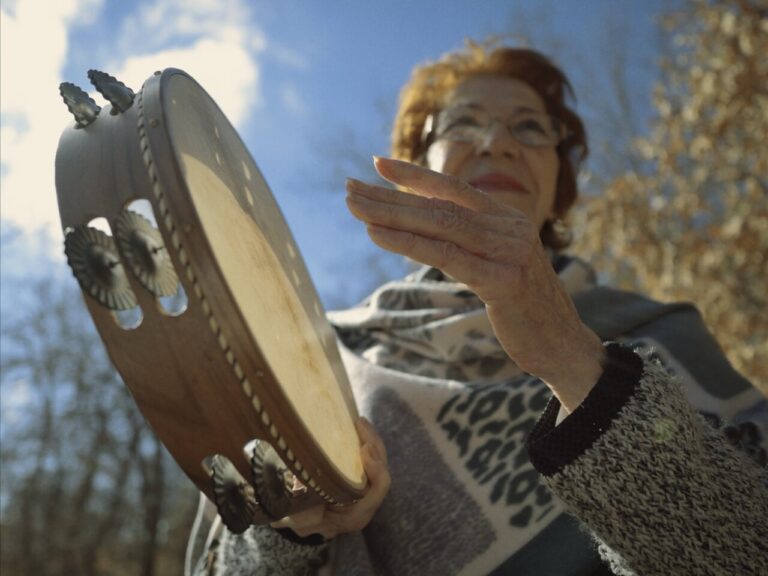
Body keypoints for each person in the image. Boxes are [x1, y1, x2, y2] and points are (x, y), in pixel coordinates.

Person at [193, 41, 768, 575]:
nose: (496, 141)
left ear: (559, 182)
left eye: (530, 127)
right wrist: (290, 528)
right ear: (417, 165)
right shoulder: (320, 360)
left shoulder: (665, 336)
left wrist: (573, 360)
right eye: (464, 122)